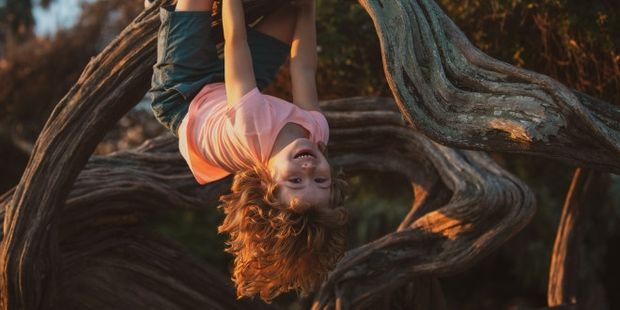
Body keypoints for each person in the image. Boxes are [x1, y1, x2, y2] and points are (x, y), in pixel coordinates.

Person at [149, 0, 349, 302]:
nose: (309, 170)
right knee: (289, 11)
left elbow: (236, 42)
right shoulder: (317, 133)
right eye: (321, 181)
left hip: (183, 92)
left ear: (267, 182)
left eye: (295, 181)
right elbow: (304, 69)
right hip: (229, 89)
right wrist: (309, 8)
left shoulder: (252, 127)